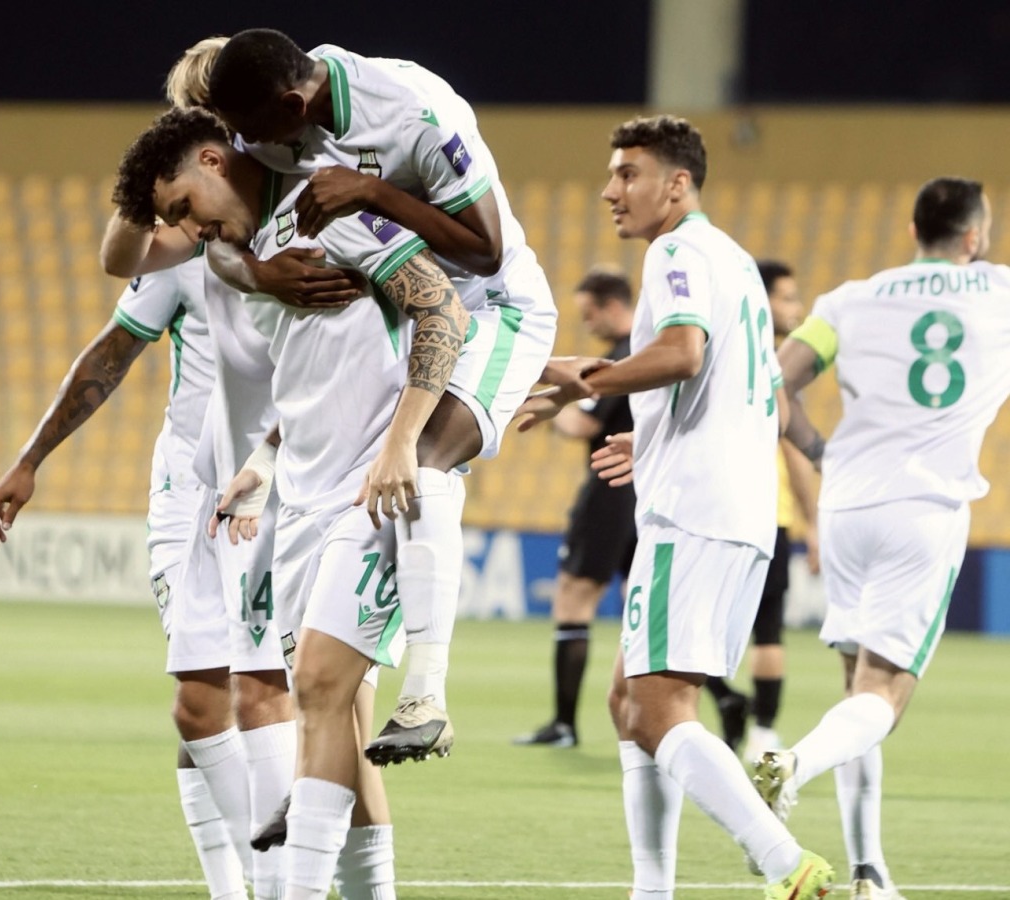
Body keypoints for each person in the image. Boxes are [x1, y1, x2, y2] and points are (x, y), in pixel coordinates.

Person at [111, 104, 481, 900]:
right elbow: (303, 373)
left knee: (315, 689)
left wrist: (403, 442)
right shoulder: (243, 254)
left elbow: (442, 309)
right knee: (329, 714)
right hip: (300, 496)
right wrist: (267, 461)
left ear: (215, 160)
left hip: (369, 490)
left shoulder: (326, 209)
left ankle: (428, 693)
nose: (185, 228)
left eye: (182, 206)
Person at [202, 28, 558, 763]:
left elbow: (487, 250)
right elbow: (217, 241)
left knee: (423, 456)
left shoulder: (412, 110)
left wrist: (372, 192)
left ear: (293, 102)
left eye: (255, 128)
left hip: (492, 309)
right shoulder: (275, 133)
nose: (248, 145)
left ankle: (427, 695)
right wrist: (263, 277)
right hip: (406, 313)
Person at [517, 114, 833, 899]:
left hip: (692, 513)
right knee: (632, 700)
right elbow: (740, 381)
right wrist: (653, 442)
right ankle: (650, 889)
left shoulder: (677, 249)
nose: (609, 190)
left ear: (677, 183)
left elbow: (684, 351)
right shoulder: (731, 259)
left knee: (658, 709)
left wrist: (581, 374)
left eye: (627, 173)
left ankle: (786, 863)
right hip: (733, 506)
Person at [0, 251, 295, 900]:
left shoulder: (292, 228)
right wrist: (30, 458)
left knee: (259, 693)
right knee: (199, 700)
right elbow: (111, 353)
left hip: (277, 482)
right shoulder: (182, 253)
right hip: (189, 489)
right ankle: (242, 888)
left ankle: (281, 886)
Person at [755, 176, 1010, 900]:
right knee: (883, 694)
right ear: (974, 237)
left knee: (854, 689)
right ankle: (794, 763)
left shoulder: (850, 300)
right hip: (923, 507)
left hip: (846, 503)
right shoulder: (1000, 293)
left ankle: (870, 871)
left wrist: (816, 449)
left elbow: (775, 384)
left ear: (909, 231)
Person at [514, 269, 636, 749]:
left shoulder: (621, 358)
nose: (588, 325)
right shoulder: (642, 352)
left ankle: (564, 724)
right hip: (641, 488)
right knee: (639, 601)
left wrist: (543, 406)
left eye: (589, 313)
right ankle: (727, 698)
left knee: (573, 596)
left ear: (610, 305)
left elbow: (587, 426)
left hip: (610, 487)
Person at [705, 260, 820, 759]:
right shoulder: (773, 366)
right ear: (765, 300)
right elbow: (796, 453)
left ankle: (725, 704)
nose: (797, 308)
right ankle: (764, 731)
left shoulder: (723, 351)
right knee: (767, 629)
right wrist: (813, 523)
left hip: (718, 511)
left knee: (699, 626)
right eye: (789, 297)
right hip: (766, 514)